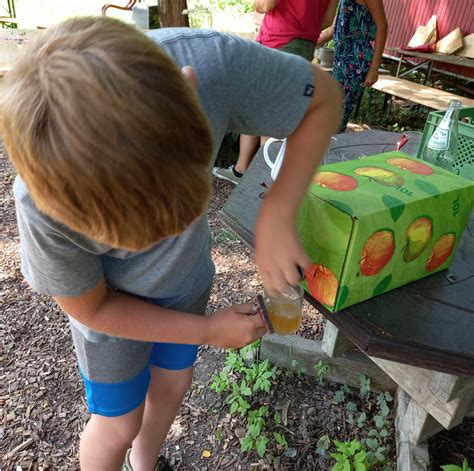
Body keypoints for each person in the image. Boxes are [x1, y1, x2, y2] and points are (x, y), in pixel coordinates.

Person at [0, 16, 340, 471]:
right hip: (111, 317)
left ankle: (145, 465)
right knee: (118, 424)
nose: (165, 241)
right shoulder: (39, 202)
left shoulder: (211, 62)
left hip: (185, 287)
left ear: (188, 87)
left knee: (173, 386)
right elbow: (93, 309)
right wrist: (205, 332)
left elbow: (325, 97)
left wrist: (278, 212)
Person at [212, 0, 337, 184]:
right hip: (304, 46)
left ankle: (262, 181)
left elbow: (265, 5)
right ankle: (242, 171)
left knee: (265, 113)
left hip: (277, 40)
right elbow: (326, 19)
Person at [317, 0, 387, 131]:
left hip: (356, 62)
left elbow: (382, 27)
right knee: (332, 110)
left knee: (337, 113)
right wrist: (307, 43)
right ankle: (328, 147)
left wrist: (374, 68)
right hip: (341, 60)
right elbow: (332, 30)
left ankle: (331, 147)